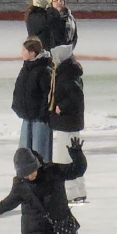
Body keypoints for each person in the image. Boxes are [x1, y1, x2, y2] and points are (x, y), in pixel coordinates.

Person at [48, 45, 87, 205]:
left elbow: (76, 95)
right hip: (70, 123)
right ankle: (79, 190)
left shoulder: (66, 74)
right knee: (73, 155)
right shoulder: (69, 72)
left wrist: (61, 106)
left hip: (67, 123)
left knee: (66, 158)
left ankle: (71, 192)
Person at [12, 37, 53, 159]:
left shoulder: (44, 70)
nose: (22, 53)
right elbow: (19, 89)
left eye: (24, 50)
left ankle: (42, 174)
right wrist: (17, 106)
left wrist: (42, 114)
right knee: (25, 151)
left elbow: (47, 95)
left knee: (39, 152)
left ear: (32, 53)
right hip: (27, 115)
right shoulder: (26, 68)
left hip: (39, 118)